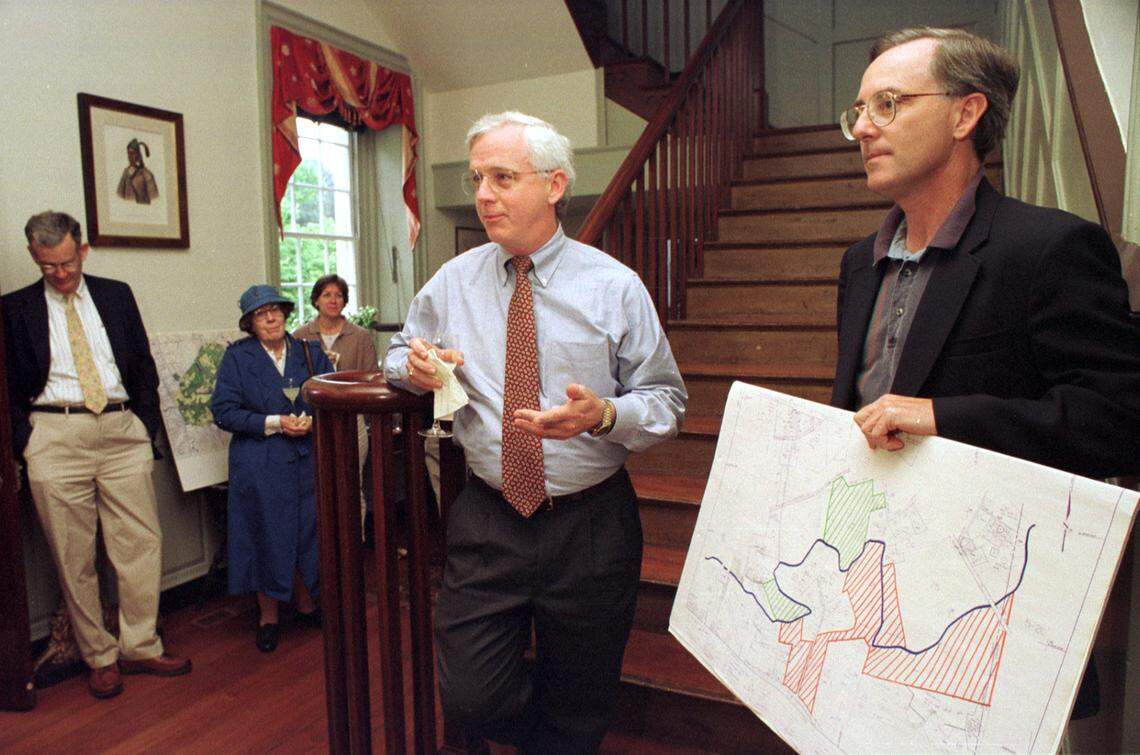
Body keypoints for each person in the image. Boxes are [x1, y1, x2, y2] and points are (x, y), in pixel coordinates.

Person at [832, 27, 1140, 718]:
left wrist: (943, 416)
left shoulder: (1051, 248)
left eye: (887, 104)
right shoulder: (859, 263)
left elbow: (1122, 418)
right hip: (875, 590)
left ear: (966, 113)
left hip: (985, 613)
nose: (863, 129)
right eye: (857, 112)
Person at [386, 111, 686, 752]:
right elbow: (399, 353)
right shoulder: (453, 281)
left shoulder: (614, 287)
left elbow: (667, 401)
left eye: (502, 177)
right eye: (476, 179)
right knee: (471, 693)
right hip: (490, 517)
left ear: (554, 185)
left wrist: (603, 415)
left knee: (580, 701)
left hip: (592, 525)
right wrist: (414, 367)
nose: (484, 195)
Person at [2, 211, 191, 699]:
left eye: (67, 262)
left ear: (81, 250)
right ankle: (99, 655)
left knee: (140, 544)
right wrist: (26, 439)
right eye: (49, 267)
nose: (61, 274)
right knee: (73, 556)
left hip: (119, 426)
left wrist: (143, 423)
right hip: (53, 432)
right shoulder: (14, 309)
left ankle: (140, 644)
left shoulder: (115, 294)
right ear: (34, 258)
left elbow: (142, 364)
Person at [210, 285, 332, 653]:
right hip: (260, 465)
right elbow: (224, 412)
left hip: (308, 461)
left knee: (307, 534)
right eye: (261, 314)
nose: (271, 318)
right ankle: (269, 618)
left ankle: (308, 604)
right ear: (250, 323)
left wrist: (312, 420)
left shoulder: (309, 353)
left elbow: (331, 394)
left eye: (276, 311)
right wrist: (276, 422)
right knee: (267, 535)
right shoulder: (237, 358)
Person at [292, 274, 377, 523]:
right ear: (316, 300)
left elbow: (371, 378)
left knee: (351, 484)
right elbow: (296, 381)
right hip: (313, 420)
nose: (333, 300)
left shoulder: (360, 336)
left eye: (339, 295)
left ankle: (355, 547)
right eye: (327, 295)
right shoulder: (300, 336)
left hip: (353, 420)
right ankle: (323, 551)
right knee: (316, 485)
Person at [115, 138, 159, 205]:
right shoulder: (126, 172)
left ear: (138, 155)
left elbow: (154, 199)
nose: (129, 157)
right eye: (128, 154)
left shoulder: (147, 175)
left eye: (132, 153)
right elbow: (119, 194)